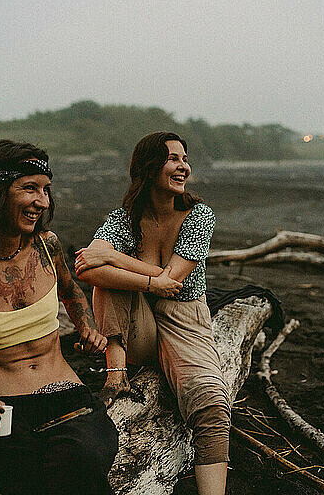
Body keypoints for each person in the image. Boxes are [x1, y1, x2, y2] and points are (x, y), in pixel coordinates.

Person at [75, 131, 231, 495]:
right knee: (106, 283)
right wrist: (146, 284)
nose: (183, 167)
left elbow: (173, 281)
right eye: (172, 159)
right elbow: (86, 268)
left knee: (210, 404)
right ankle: (116, 376)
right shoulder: (125, 218)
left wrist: (114, 257)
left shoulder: (198, 215)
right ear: (149, 168)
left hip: (185, 319)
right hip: (138, 326)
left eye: (184, 158)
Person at [0, 140, 118, 495]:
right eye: (29, 188)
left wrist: (86, 326)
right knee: (32, 479)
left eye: (46, 190)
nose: (42, 201)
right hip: (1, 413)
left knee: (80, 460)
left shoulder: (46, 245)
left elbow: (70, 290)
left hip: (69, 399)